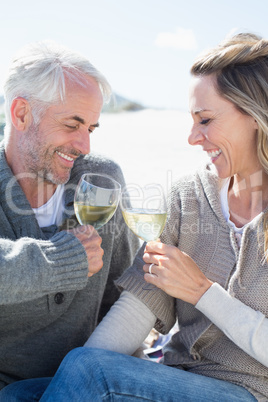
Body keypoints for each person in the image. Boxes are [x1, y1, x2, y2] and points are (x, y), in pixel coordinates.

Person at [23, 31, 268, 401]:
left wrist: (202, 292)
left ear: (254, 115)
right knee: (22, 394)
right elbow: (137, 308)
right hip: (172, 380)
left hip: (250, 392)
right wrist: (81, 366)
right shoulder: (189, 196)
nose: (192, 137)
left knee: (89, 372)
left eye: (205, 120)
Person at [0, 41, 140, 398]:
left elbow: (122, 289)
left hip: (88, 386)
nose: (84, 145)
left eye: (91, 128)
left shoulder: (100, 177)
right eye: (72, 124)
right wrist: (63, 260)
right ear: (20, 114)